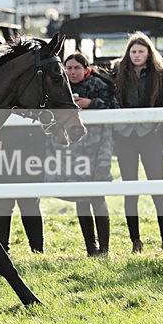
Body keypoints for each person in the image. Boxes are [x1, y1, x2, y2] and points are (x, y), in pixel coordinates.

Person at [112, 33, 163, 253]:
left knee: (158, 188)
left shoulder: (161, 76)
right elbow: (107, 100)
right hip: (125, 138)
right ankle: (135, 241)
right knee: (131, 191)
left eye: (141, 51)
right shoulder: (117, 74)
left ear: (149, 53)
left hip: (151, 138)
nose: (137, 55)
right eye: (133, 51)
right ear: (128, 53)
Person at [47, 52, 118, 257]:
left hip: (98, 147)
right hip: (72, 149)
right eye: (68, 68)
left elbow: (115, 108)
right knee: (81, 198)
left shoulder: (100, 85)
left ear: (86, 69)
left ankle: (104, 248)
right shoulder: (60, 88)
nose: (72, 72)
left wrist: (90, 103)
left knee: (98, 197)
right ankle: (90, 248)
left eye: (76, 67)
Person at [0, 126, 46, 255]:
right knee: (1, 204)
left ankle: (37, 251)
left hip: (30, 154)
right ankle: (1, 252)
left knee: (30, 204)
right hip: (1, 156)